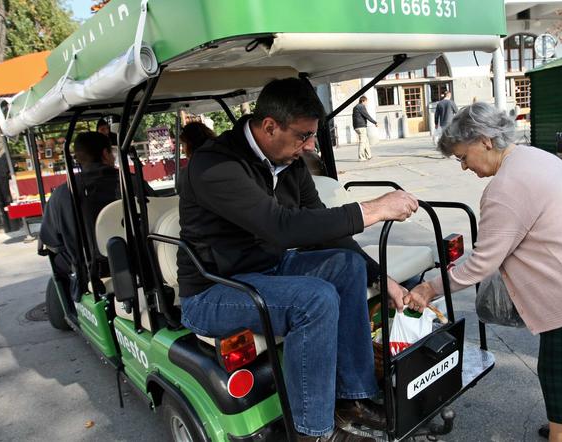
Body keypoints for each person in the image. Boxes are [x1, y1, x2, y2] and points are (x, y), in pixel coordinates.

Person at [177, 78, 417, 442]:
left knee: (346, 265)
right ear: (270, 126)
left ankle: (352, 399)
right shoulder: (215, 165)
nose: (309, 146)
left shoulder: (289, 162)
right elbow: (280, 227)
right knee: (315, 298)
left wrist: (383, 279)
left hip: (267, 270)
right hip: (214, 290)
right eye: (303, 136)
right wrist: (373, 209)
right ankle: (311, 432)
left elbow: (324, 228)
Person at [404, 102, 562, 442]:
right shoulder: (536, 157)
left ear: (484, 142)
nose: (463, 167)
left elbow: (483, 261)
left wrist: (429, 289)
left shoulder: (507, 187)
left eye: (462, 156)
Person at [40, 132, 155, 300]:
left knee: (57, 259)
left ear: (78, 159)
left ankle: (74, 302)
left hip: (92, 269)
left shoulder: (63, 194)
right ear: (105, 154)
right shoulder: (133, 182)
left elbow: (51, 240)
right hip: (140, 261)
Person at [352, 95, 376, 161]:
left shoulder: (355, 107)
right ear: (363, 101)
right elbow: (367, 116)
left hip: (356, 126)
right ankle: (361, 157)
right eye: (366, 102)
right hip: (361, 126)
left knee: (366, 141)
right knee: (362, 142)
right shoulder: (361, 106)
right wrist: (375, 122)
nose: (366, 103)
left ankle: (368, 155)